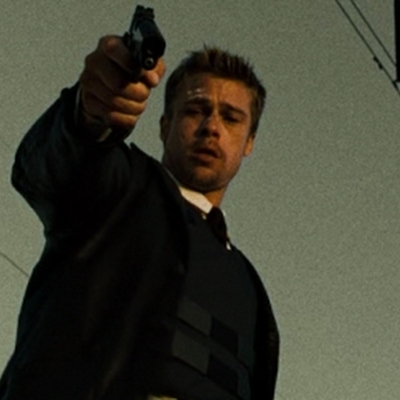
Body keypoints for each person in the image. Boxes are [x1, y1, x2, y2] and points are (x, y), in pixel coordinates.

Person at [0, 35, 279, 400]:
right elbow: (55, 165)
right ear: (164, 125)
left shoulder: (252, 291)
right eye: (196, 110)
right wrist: (88, 113)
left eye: (231, 118)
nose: (212, 126)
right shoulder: (120, 189)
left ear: (249, 142)